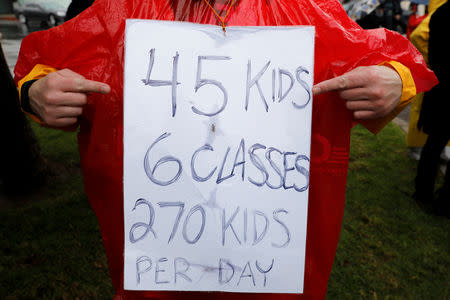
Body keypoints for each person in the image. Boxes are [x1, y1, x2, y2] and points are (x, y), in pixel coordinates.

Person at [14, 0, 437, 299]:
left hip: (270, 266)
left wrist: (394, 81)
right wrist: (34, 92)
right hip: (159, 269)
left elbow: (387, 60)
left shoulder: (304, 11)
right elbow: (43, 62)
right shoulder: (123, 10)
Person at [415, 1, 449, 217]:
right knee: (435, 142)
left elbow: (421, 37)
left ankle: (423, 191)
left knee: (434, 142)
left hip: (440, 88)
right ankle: (444, 203)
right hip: (441, 88)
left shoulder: (441, 13)